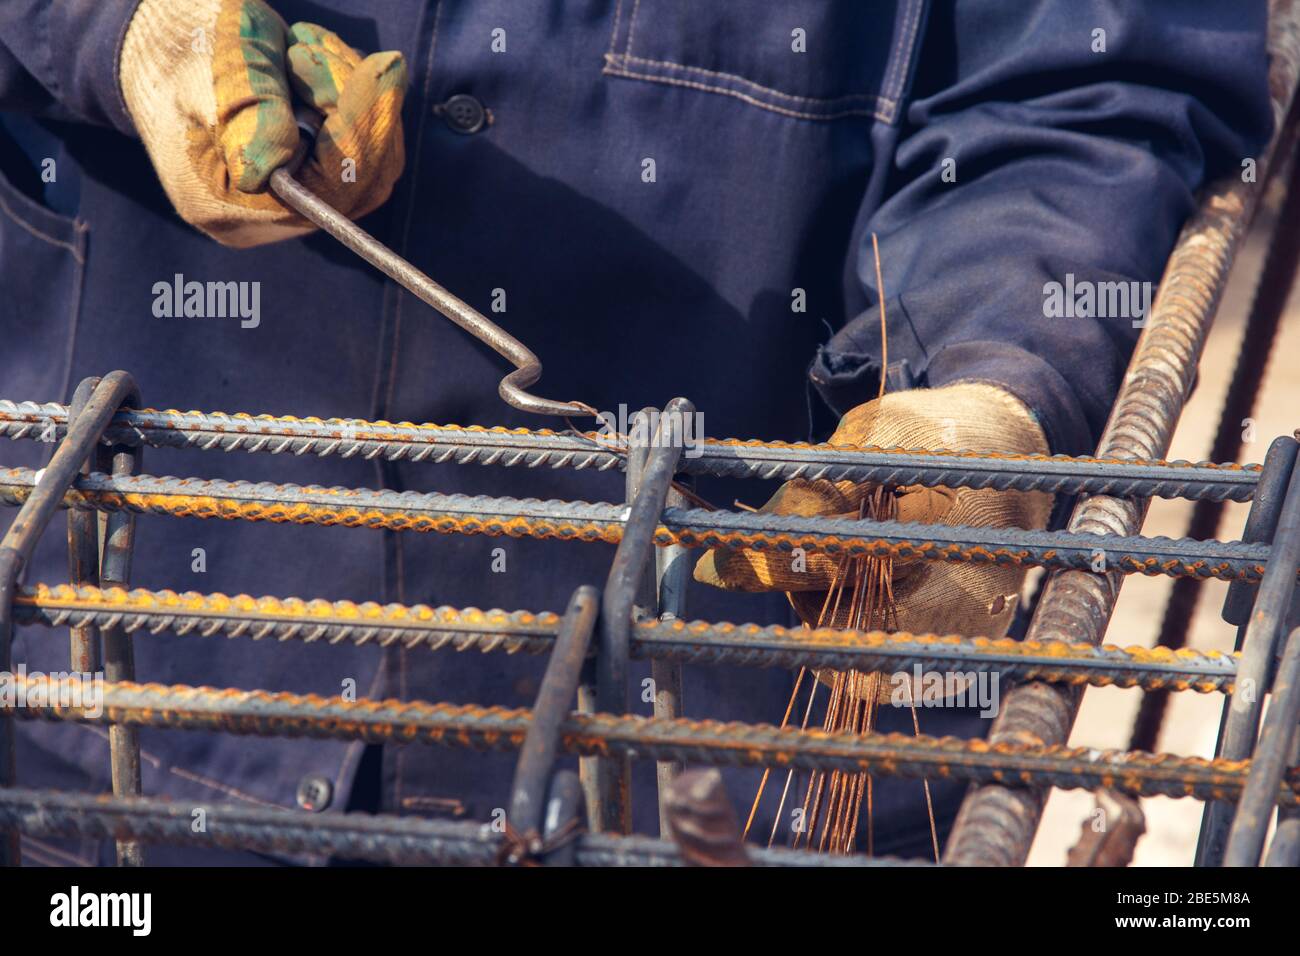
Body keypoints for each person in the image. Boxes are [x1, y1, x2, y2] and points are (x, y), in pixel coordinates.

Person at [0, 0, 1271, 865]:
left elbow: (1092, 79)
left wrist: (992, 376)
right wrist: (110, 28)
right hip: (129, 707)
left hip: (741, 753)